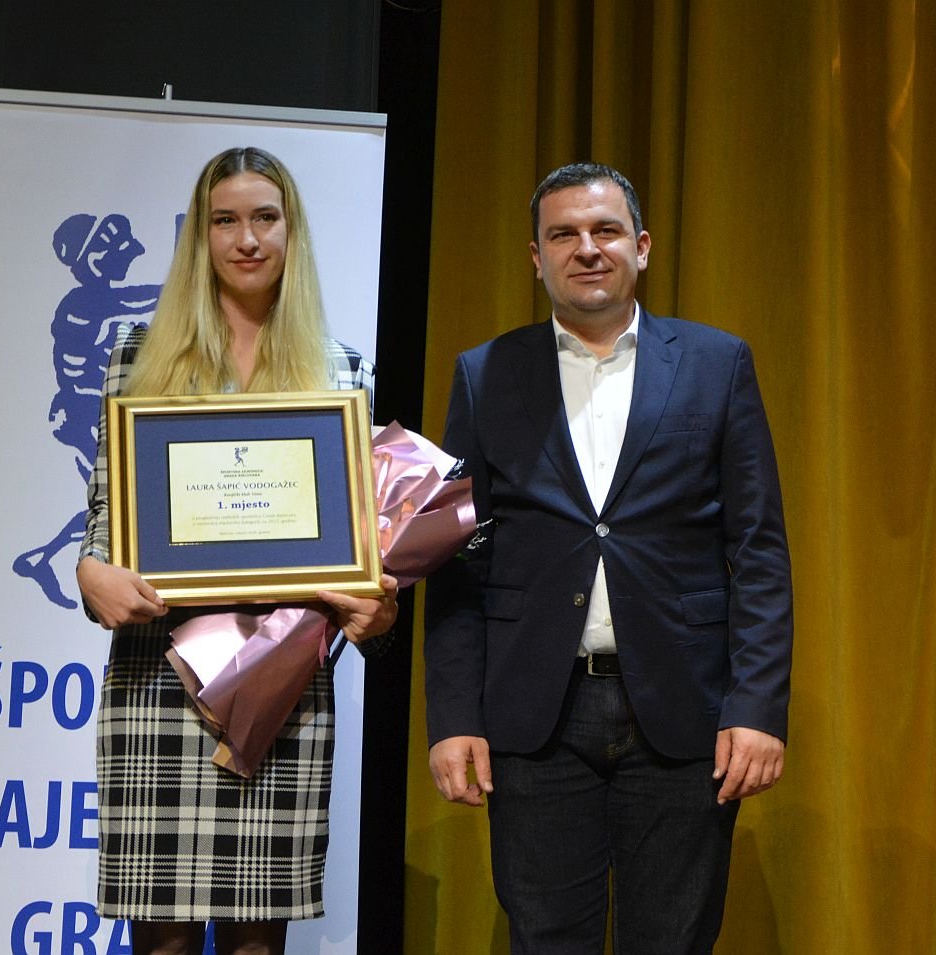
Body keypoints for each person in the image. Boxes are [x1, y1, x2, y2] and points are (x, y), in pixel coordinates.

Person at [424, 162, 793, 954]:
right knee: (545, 940)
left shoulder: (717, 363)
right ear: (537, 258)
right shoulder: (485, 373)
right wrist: (453, 719)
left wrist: (757, 706)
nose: (586, 248)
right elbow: (458, 562)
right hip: (535, 715)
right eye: (563, 234)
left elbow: (759, 550)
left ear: (642, 246)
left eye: (605, 230)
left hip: (685, 712)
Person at [76, 146, 398, 955]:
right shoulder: (136, 357)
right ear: (201, 237)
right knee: (163, 942)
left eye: (264, 218)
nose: (246, 238)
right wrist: (90, 573)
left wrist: (379, 605)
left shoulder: (341, 373)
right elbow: (106, 517)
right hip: (158, 677)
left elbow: (360, 543)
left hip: (278, 684)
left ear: (292, 231)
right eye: (225, 220)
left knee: (258, 942)